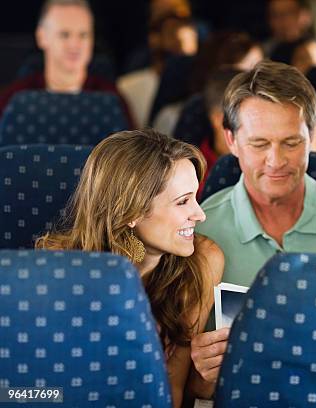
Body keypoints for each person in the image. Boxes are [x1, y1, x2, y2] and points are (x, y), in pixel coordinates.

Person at [190, 60, 316, 395]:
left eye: (291, 142)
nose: (276, 160)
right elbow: (176, 385)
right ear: (231, 141)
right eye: (259, 144)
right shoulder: (196, 235)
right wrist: (202, 374)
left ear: (312, 137)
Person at [36, 129, 224, 406]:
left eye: (195, 197)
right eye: (183, 201)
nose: (200, 214)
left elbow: (171, 388)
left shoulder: (203, 260)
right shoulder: (57, 266)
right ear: (132, 211)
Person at [0, 0, 132, 124]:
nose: (74, 45)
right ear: (41, 37)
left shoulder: (112, 100)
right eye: (64, 34)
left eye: (83, 35)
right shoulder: (14, 99)